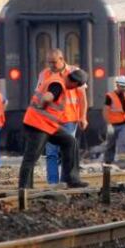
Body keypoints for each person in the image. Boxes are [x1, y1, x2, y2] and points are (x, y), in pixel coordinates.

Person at [18, 71, 87, 189]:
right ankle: (24, 188)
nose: (74, 89)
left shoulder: (58, 80)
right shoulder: (58, 84)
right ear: (74, 82)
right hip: (37, 124)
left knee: (70, 141)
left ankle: (71, 179)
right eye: (76, 86)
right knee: (32, 156)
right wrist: (43, 103)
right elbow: (48, 96)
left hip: (49, 125)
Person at [39, 50, 81, 184]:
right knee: (51, 153)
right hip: (51, 120)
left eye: (54, 62)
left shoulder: (74, 72)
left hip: (69, 119)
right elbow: (40, 94)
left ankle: (66, 181)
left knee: (67, 151)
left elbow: (82, 96)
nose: (51, 65)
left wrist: (83, 116)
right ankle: (53, 184)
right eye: (49, 62)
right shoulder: (44, 74)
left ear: (62, 59)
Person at [102, 76, 125, 165]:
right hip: (113, 125)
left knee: (123, 143)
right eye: (122, 86)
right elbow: (105, 111)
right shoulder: (110, 96)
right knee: (111, 144)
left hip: (123, 124)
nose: (124, 88)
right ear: (118, 86)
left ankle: (123, 161)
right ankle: (108, 162)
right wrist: (108, 124)